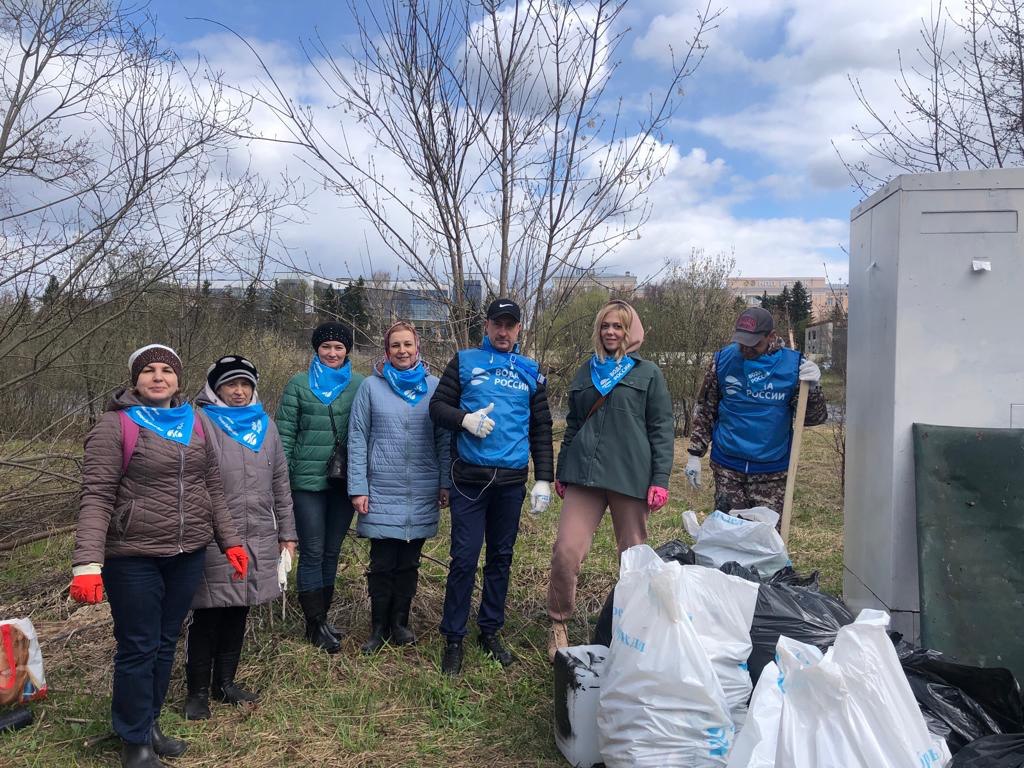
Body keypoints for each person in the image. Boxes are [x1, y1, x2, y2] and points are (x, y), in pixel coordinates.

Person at [70, 344, 247, 768]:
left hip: (187, 553)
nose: (157, 376)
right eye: (147, 370)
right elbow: (96, 497)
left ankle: (147, 725)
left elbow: (212, 488)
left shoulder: (195, 421)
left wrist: (230, 541)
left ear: (178, 380)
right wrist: (87, 563)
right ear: (135, 380)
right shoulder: (115, 426)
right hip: (133, 555)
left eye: (166, 370)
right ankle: (134, 742)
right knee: (138, 646)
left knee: (165, 642)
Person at [429, 298, 554, 676]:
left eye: (510, 325)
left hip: (511, 483)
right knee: (464, 559)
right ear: (486, 326)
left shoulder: (531, 370)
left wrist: (544, 478)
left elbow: (542, 427)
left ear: (519, 330)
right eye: (497, 324)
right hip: (470, 479)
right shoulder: (465, 361)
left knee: (501, 558)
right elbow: (437, 407)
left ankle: (490, 630)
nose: (503, 332)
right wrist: (464, 420)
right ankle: (454, 637)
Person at [546, 300, 674, 661]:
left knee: (632, 558)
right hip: (584, 475)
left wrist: (660, 478)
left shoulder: (647, 374)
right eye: (605, 326)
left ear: (631, 331)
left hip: (630, 476)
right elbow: (572, 424)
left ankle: (630, 626)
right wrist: (563, 468)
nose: (611, 332)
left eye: (618, 326)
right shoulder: (587, 372)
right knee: (566, 551)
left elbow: (662, 429)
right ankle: (558, 622)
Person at [184, 355, 298, 720]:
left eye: (245, 384)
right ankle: (197, 692)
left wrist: (288, 533)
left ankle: (225, 683)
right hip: (215, 536)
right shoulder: (199, 423)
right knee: (208, 613)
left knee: (238, 609)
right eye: (230, 385)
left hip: (259, 535)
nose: (238, 391)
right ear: (215, 390)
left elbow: (281, 483)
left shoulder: (266, 426)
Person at [347, 322, 451, 654]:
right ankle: (377, 628)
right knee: (382, 562)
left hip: (421, 489)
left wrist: (445, 482)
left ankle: (400, 624)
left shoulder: (435, 388)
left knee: (409, 562)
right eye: (395, 346)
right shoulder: (370, 388)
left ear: (418, 348)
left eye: (408, 344)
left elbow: (444, 439)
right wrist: (358, 487)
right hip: (380, 489)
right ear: (386, 350)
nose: (402, 351)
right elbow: (357, 438)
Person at [685, 307, 827, 518]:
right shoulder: (723, 360)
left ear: (771, 336)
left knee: (765, 542)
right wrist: (695, 454)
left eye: (753, 344)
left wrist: (813, 389)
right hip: (728, 466)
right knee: (729, 539)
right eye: (741, 343)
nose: (745, 350)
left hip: (771, 471)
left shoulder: (793, 365)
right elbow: (706, 409)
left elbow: (812, 418)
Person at [277, 322, 365, 653]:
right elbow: (285, 434)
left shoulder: (360, 384)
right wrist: (282, 480)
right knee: (312, 551)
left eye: (338, 347)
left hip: (344, 481)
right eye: (326, 346)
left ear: (347, 351)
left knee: (332, 550)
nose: (332, 353)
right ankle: (313, 625)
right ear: (317, 349)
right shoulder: (299, 385)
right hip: (306, 483)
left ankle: (323, 619)